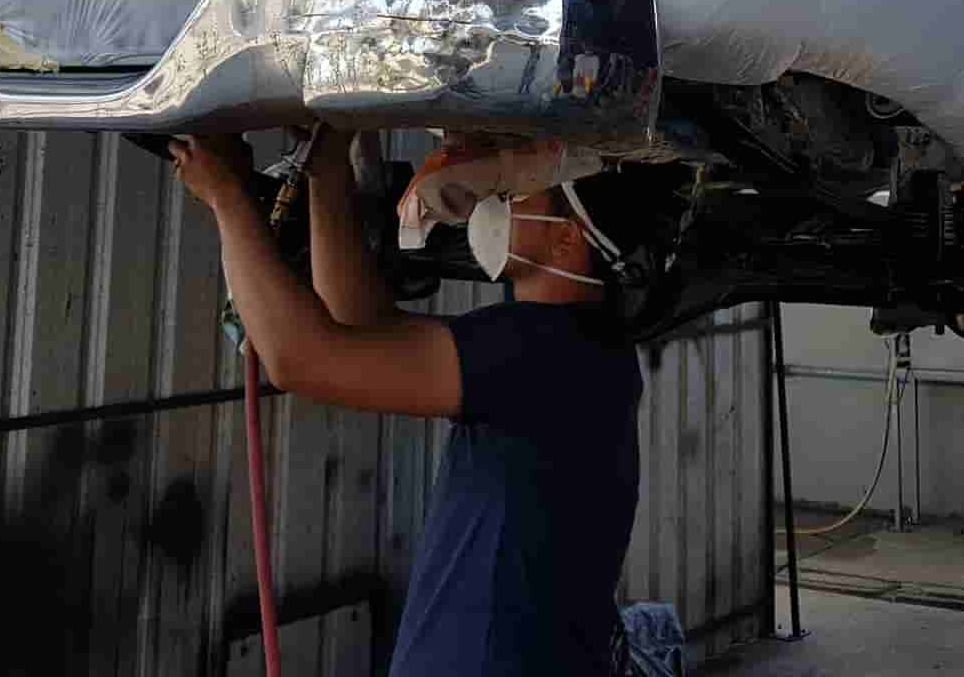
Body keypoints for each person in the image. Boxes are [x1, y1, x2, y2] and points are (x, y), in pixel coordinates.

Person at [170, 129, 646, 677]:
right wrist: (328, 171)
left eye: (517, 198)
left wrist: (230, 200)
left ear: (566, 240)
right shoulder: (577, 350)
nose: (497, 205)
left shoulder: (545, 350)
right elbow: (363, 328)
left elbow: (299, 359)